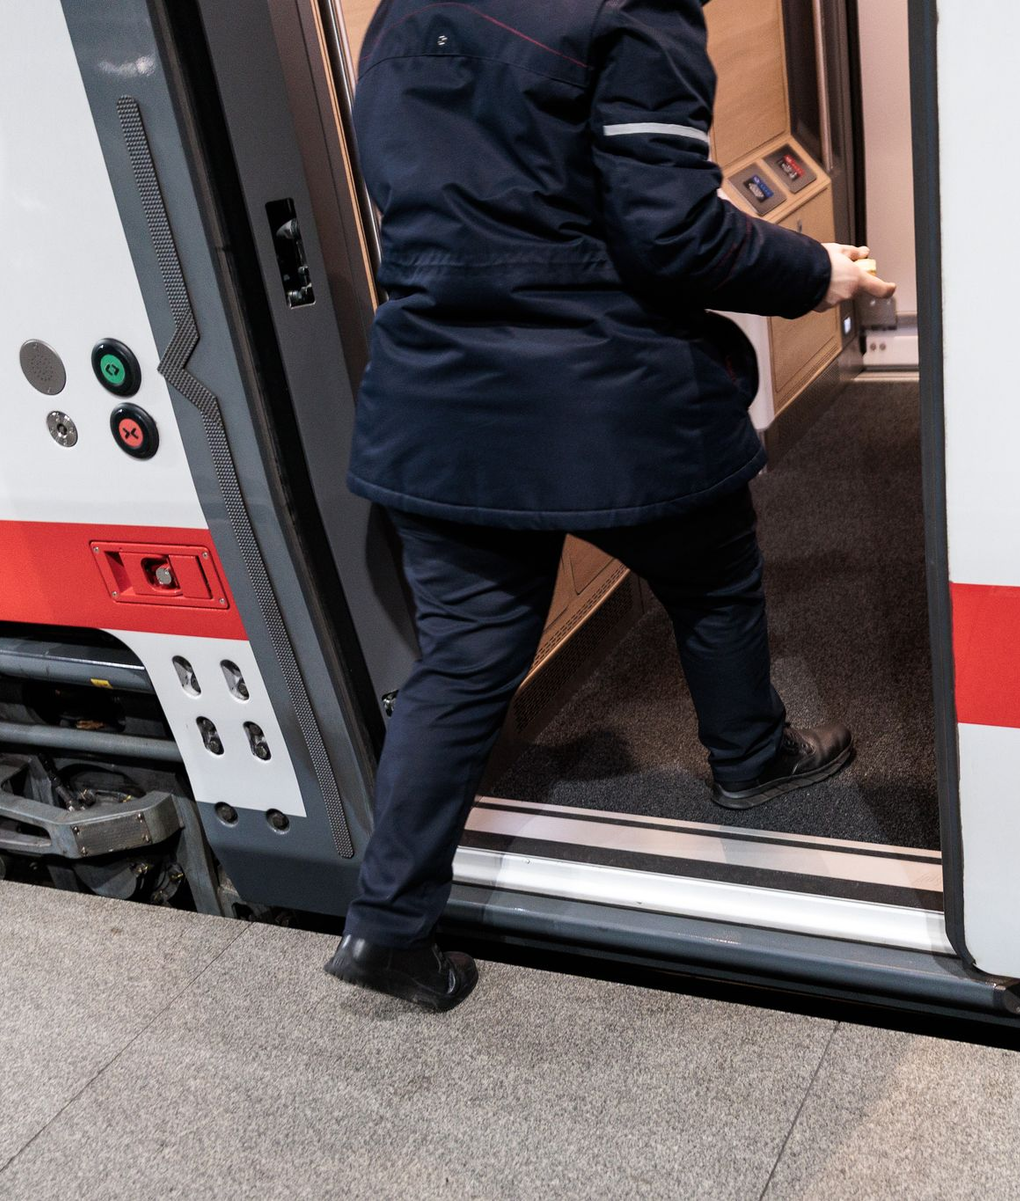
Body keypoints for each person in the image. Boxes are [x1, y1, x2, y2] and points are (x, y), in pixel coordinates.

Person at [325, 0, 896, 1012]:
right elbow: (670, 233)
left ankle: (385, 923)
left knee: (463, 657)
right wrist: (817, 272)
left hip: (437, 396)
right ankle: (752, 759)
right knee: (715, 576)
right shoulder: (633, 9)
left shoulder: (401, 13)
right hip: (603, 396)